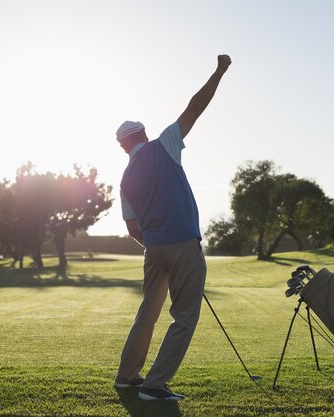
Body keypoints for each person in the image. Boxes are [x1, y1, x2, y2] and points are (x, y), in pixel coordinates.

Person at [113, 54, 232, 401]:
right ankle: (154, 385)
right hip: (182, 244)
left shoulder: (124, 179)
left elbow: (133, 227)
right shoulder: (163, 146)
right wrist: (219, 71)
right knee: (183, 318)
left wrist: (155, 243)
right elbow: (196, 106)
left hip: (154, 250)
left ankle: (127, 377)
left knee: (147, 313)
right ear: (144, 134)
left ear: (123, 146)